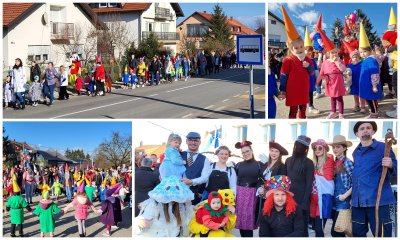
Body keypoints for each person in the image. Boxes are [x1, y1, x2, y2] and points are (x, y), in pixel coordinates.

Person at [351, 121, 397, 237]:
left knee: (382, 235)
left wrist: (391, 164)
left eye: (368, 128)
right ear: (357, 133)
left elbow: (396, 168)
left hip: (378, 201)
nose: (365, 130)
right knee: (357, 234)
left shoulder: (383, 147)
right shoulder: (356, 152)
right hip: (358, 203)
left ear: (373, 131)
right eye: (361, 128)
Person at [279, 6, 315, 118]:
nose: (300, 49)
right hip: (293, 89)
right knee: (293, 110)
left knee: (303, 110)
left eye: (301, 47)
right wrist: (283, 90)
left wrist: (308, 66)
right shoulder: (288, 60)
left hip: (304, 89)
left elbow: (312, 72)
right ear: (291, 49)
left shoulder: (307, 59)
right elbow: (283, 75)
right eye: (296, 48)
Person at [285, 135, 314, 237]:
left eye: (302, 145)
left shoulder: (309, 163)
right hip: (288, 199)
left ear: (306, 148)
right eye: (297, 144)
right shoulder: (288, 161)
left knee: (301, 228)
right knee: (289, 227)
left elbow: (309, 184)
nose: (299, 147)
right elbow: (285, 181)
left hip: (301, 200)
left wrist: (304, 203)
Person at [316, 30, 347, 119]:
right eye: (332, 53)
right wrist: (317, 82)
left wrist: (337, 63)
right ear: (328, 54)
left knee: (339, 98)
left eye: (336, 52)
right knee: (332, 98)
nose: (334, 54)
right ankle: (333, 112)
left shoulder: (340, 61)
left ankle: (341, 114)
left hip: (338, 81)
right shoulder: (325, 62)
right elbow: (322, 73)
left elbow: (343, 69)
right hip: (329, 82)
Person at [234, 140, 262, 237]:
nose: (246, 154)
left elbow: (263, 180)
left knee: (249, 221)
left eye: (247, 151)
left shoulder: (259, 165)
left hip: (252, 195)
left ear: (252, 151)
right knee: (241, 220)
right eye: (243, 152)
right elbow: (233, 180)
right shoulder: (238, 165)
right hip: (240, 194)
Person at [328, 135, 354, 237]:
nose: (335, 149)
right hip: (335, 200)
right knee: (339, 231)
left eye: (338, 147)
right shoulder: (334, 163)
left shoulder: (348, 163)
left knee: (337, 231)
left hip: (344, 202)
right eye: (334, 147)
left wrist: (345, 196)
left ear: (344, 148)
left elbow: (356, 183)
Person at [256, 141, 288, 225]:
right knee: (263, 220)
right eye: (272, 150)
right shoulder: (265, 164)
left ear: (280, 154)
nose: (273, 153)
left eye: (276, 151)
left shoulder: (282, 166)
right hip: (262, 196)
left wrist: (267, 189)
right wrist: (260, 188)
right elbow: (260, 179)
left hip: (274, 196)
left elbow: (280, 184)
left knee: (272, 219)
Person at [310, 139, 335, 237]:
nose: (317, 150)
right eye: (315, 148)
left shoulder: (329, 161)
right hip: (313, 198)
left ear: (324, 149)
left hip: (323, 197)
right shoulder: (313, 163)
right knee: (315, 228)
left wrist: (317, 171)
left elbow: (328, 177)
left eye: (320, 148)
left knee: (319, 228)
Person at [358, 23, 383, 118]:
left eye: (365, 51)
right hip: (366, 85)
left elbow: (374, 73)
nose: (363, 54)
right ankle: (373, 112)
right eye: (361, 52)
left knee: (371, 99)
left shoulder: (371, 60)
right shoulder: (366, 60)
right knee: (369, 99)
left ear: (369, 50)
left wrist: (374, 85)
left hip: (371, 85)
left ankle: (374, 114)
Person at [180, 132, 212, 205]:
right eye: (190, 140)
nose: (193, 143)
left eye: (196, 140)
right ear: (186, 141)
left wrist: (191, 181)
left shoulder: (205, 159)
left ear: (199, 142)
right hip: (177, 191)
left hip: (194, 194)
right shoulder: (178, 155)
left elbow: (205, 177)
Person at [304, 27, 320, 114]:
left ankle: (310, 106)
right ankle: (302, 110)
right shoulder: (301, 60)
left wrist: (317, 79)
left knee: (310, 93)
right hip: (303, 82)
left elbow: (316, 71)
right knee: (303, 95)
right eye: (306, 50)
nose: (309, 52)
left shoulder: (313, 60)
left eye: (310, 49)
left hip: (310, 81)